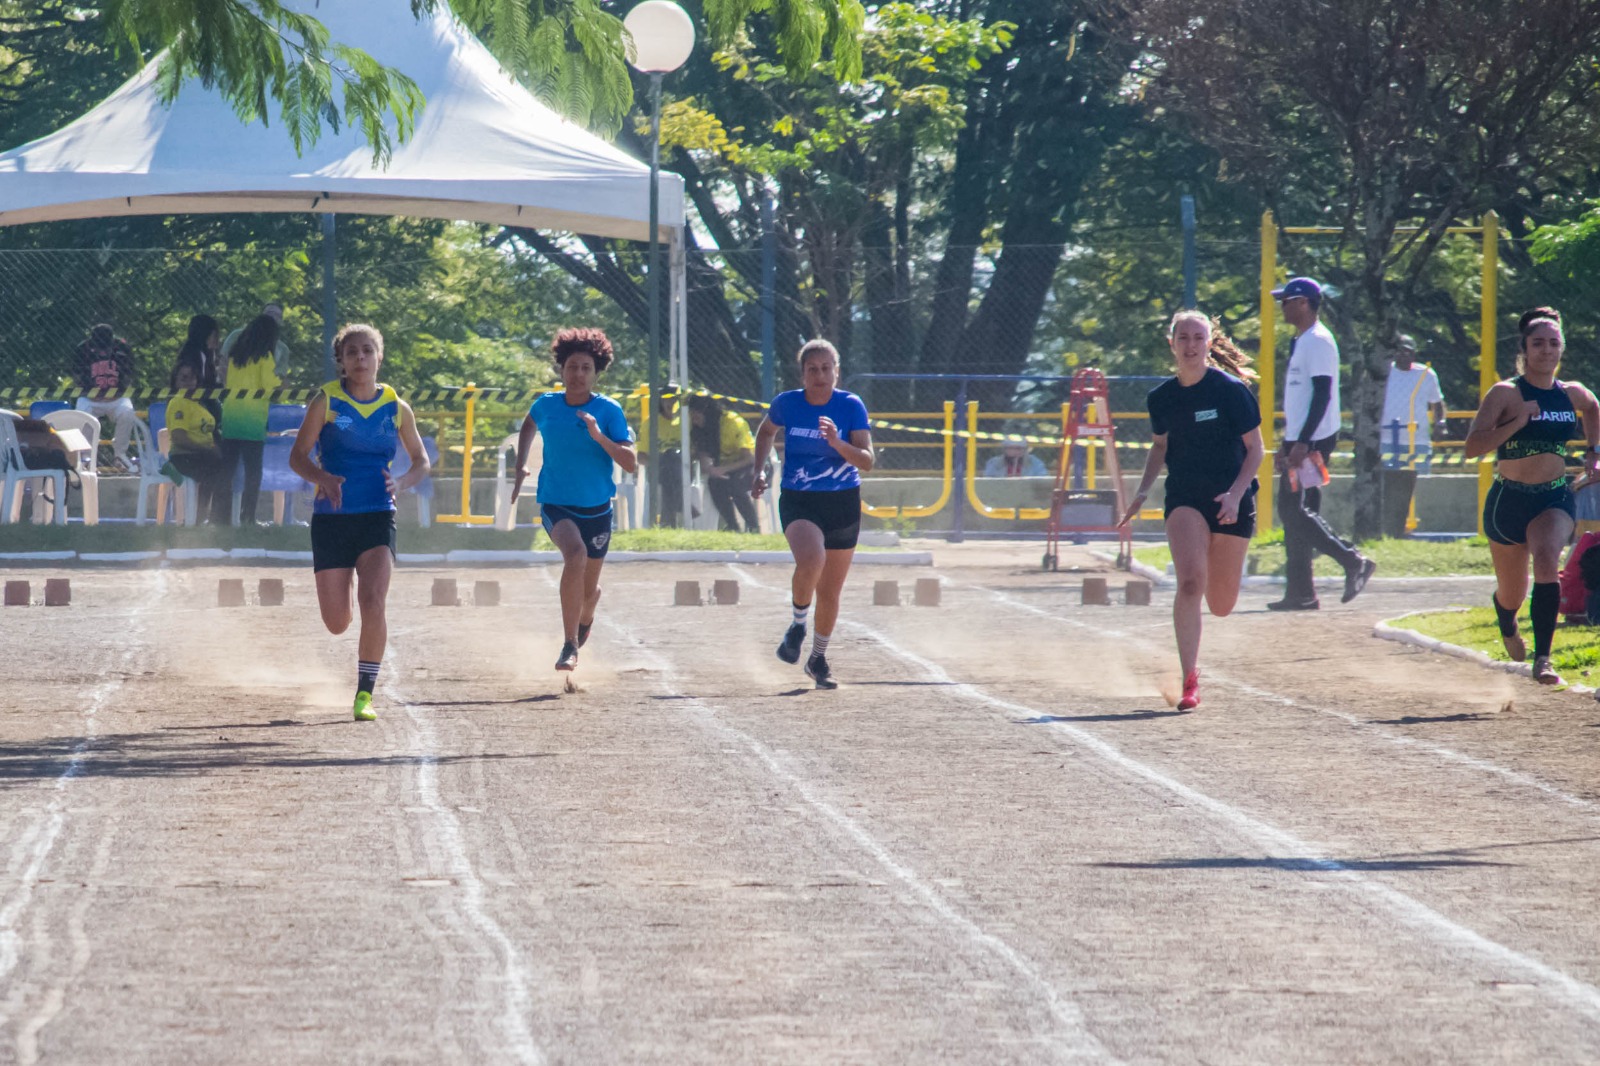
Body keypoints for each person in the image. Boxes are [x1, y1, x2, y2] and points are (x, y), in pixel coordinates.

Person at [1120, 311, 1264, 711]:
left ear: (1209, 342)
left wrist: (1235, 495)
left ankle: (1193, 666)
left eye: (1198, 338)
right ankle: (1189, 680)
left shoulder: (1230, 391)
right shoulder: (1161, 398)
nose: (1190, 345)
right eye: (1182, 337)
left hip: (1231, 499)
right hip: (1184, 497)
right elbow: (1160, 447)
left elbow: (1257, 450)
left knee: (1221, 605)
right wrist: (1142, 491)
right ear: (1172, 343)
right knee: (1189, 583)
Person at [289, 323, 430, 721]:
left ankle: (364, 694)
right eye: (352, 352)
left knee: (374, 600)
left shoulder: (396, 407)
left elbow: (421, 461)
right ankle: (344, 586)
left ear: (379, 357)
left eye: (367, 351)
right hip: (332, 519)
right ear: (342, 361)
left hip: (377, 515)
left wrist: (402, 481)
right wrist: (323, 478)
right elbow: (297, 457)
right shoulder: (326, 402)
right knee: (337, 623)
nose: (361, 359)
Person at [1463, 307, 1600, 686]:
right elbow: (1472, 447)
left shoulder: (1569, 392)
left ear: (1562, 350)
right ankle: (1506, 620)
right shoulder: (1506, 393)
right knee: (1512, 592)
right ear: (1524, 348)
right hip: (1509, 501)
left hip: (1553, 498)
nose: (1546, 350)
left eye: (1554, 343)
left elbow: (1593, 407)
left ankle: (1544, 658)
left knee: (1545, 563)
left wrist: (1594, 451)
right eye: (1537, 343)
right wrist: (1516, 422)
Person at [751, 339, 875, 689]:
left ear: (837, 371)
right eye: (812, 369)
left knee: (831, 591)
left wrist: (837, 443)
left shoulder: (850, 405)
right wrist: (759, 470)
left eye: (825, 368)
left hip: (843, 502)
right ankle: (797, 623)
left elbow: (867, 461)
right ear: (802, 374)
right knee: (811, 560)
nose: (819, 375)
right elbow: (765, 431)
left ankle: (818, 658)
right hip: (800, 499)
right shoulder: (787, 403)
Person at [510, 328, 637, 672]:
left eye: (586, 368)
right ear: (562, 370)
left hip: (597, 509)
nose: (578, 374)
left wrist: (598, 436)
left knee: (589, 592)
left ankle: (587, 615)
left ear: (596, 373)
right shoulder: (546, 404)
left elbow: (630, 463)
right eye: (572, 367)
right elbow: (528, 426)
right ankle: (569, 645)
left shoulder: (608, 411)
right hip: (557, 503)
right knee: (575, 556)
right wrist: (521, 464)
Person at [1268, 276, 1376, 610]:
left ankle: (1352, 560)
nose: (1281, 306)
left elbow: (1322, 395)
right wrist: (1288, 441)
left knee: (1292, 509)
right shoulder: (1302, 341)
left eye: (1285, 300)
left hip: (1312, 439)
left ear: (1303, 303)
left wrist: (1303, 443)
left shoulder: (1318, 341)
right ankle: (1301, 592)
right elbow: (1302, 400)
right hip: (1300, 437)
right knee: (1301, 510)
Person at [216, 312, 283, 525]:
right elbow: (269, 385)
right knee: (253, 472)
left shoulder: (237, 355)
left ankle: (222, 516)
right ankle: (248, 516)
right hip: (253, 421)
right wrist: (283, 384)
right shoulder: (264, 357)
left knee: (227, 469)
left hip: (231, 417)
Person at [164, 361, 229, 521]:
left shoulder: (199, 404)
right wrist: (206, 448)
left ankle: (215, 518)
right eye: (183, 379)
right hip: (183, 457)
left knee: (226, 465)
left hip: (201, 454)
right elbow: (179, 438)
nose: (188, 383)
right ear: (176, 382)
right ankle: (201, 517)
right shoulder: (179, 402)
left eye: (192, 378)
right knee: (216, 468)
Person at [687, 394, 761, 532]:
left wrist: (723, 469)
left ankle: (754, 526)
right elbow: (704, 458)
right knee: (714, 483)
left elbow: (750, 459)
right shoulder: (700, 430)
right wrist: (710, 469)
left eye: (696, 416)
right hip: (727, 469)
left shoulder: (732, 422)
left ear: (707, 413)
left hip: (753, 466)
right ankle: (733, 526)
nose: (694, 421)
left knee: (735, 484)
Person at [71, 323, 137, 469]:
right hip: (90, 397)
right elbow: (77, 377)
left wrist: (116, 393)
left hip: (117, 397)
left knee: (127, 412)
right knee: (82, 414)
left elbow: (129, 376)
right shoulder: (83, 349)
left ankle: (120, 455)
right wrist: (91, 393)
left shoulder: (122, 348)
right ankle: (86, 457)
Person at [1381, 335, 1448, 473]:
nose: (1403, 355)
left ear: (1414, 354)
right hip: (1387, 440)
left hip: (1418, 441)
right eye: (1399, 351)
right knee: (1388, 487)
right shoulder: (1384, 372)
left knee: (1420, 485)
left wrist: (1440, 423)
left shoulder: (1426, 374)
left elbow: (1437, 403)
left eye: (1408, 352)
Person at [221, 301, 292, 378]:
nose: (272, 317)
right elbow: (223, 360)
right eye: (269, 312)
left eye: (277, 315)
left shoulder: (283, 349)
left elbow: (280, 375)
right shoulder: (237, 335)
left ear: (281, 322)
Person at [175, 314, 222, 392]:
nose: (217, 340)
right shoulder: (192, 357)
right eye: (215, 335)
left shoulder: (204, 355)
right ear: (205, 335)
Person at [983, 436, 1049, 477]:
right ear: (1004, 449)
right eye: (1010, 448)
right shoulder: (994, 462)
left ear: (1025, 450)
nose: (1014, 452)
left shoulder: (1034, 462)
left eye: (1018, 449)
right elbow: (988, 479)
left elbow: (1042, 478)